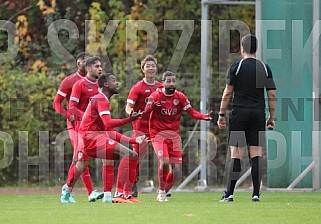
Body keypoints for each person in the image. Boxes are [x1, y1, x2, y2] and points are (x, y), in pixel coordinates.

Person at [62, 73, 147, 203]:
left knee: (82, 165)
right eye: (114, 80)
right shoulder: (100, 99)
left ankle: (67, 192)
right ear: (106, 84)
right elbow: (108, 123)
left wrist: (133, 140)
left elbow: (110, 131)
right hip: (91, 138)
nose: (117, 82)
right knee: (131, 155)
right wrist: (129, 119)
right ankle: (121, 193)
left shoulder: (101, 99)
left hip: (88, 138)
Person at [217, 34, 276, 202]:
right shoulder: (265, 68)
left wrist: (221, 114)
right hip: (258, 114)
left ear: (242, 48)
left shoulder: (236, 67)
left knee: (236, 153)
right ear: (256, 49)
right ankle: (256, 193)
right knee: (256, 153)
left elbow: (228, 92)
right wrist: (271, 117)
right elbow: (271, 94)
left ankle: (229, 194)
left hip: (239, 114)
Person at [144, 71, 212, 202]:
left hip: (174, 136)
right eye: (168, 81)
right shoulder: (155, 96)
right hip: (158, 134)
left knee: (176, 171)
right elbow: (146, 111)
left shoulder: (180, 97)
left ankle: (163, 192)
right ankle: (162, 192)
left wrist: (204, 116)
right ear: (162, 82)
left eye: (173, 81)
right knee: (164, 162)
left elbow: (191, 112)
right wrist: (152, 107)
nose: (171, 84)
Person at [53, 52, 99, 202]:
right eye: (85, 62)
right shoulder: (70, 81)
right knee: (81, 155)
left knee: (85, 157)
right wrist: (68, 115)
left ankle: (67, 190)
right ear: (79, 63)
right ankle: (90, 192)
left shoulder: (96, 81)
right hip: (75, 124)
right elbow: (56, 103)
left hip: (91, 124)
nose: (88, 64)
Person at [115, 55, 162, 198]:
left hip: (156, 128)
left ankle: (163, 189)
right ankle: (132, 184)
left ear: (156, 67)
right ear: (143, 69)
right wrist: (132, 114)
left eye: (153, 65)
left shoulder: (161, 87)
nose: (151, 68)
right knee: (136, 158)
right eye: (148, 66)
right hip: (140, 128)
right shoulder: (138, 87)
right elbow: (128, 107)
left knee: (164, 157)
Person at [60, 56, 106, 203]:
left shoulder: (101, 86)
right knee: (81, 161)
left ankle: (112, 193)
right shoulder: (78, 84)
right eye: (96, 66)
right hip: (80, 128)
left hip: (97, 128)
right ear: (88, 68)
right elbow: (71, 107)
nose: (100, 69)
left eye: (100, 66)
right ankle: (67, 191)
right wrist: (85, 116)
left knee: (106, 157)